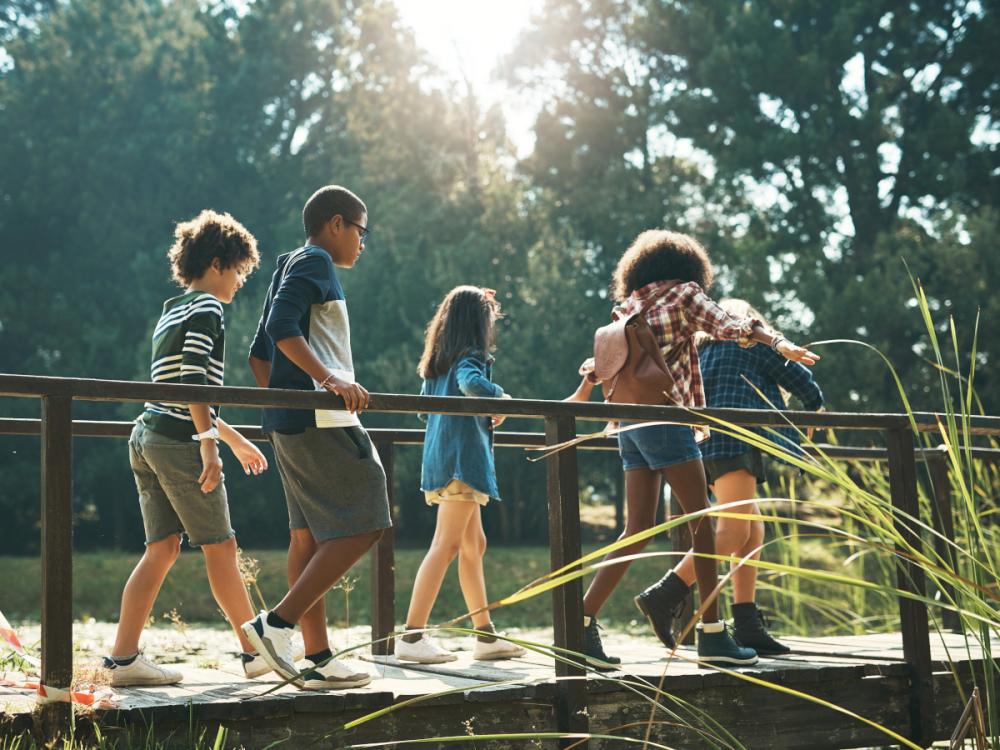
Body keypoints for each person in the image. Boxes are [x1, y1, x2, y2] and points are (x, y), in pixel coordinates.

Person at [566, 230, 819, 668]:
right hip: (667, 420)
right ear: (689, 267)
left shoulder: (628, 306)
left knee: (637, 527)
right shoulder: (685, 295)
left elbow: (604, 366)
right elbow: (733, 325)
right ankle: (713, 635)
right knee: (703, 523)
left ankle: (580, 622)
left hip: (628, 425)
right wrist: (778, 343)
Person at [104, 210, 270, 687]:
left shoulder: (171, 309)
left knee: (161, 549)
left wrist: (231, 439)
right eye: (239, 271)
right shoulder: (209, 309)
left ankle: (124, 660)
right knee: (222, 547)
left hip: (148, 435)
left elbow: (178, 391)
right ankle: (254, 653)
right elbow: (195, 379)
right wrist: (208, 446)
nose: (239, 282)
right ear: (218, 264)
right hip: (179, 442)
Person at [244, 185, 390, 690]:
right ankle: (277, 624)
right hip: (322, 420)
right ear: (335, 224)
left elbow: (258, 353)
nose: (362, 243)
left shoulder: (289, 264)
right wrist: (330, 382)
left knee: (307, 537)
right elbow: (283, 329)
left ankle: (319, 656)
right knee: (368, 516)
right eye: (361, 231)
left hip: (291, 420)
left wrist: (282, 404)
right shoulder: (316, 262)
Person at [666, 298, 825, 656]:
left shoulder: (702, 349)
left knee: (753, 529)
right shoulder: (752, 342)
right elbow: (798, 377)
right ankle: (667, 592)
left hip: (702, 447)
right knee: (735, 531)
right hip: (734, 442)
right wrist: (816, 405)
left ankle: (747, 623)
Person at [394, 286, 526, 664]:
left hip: (443, 459)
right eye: (488, 319)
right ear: (476, 325)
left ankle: (485, 637)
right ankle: (412, 636)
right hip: (461, 462)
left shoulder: (437, 361)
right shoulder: (470, 357)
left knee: (474, 545)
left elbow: (424, 409)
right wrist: (501, 398)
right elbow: (472, 385)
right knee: (446, 546)